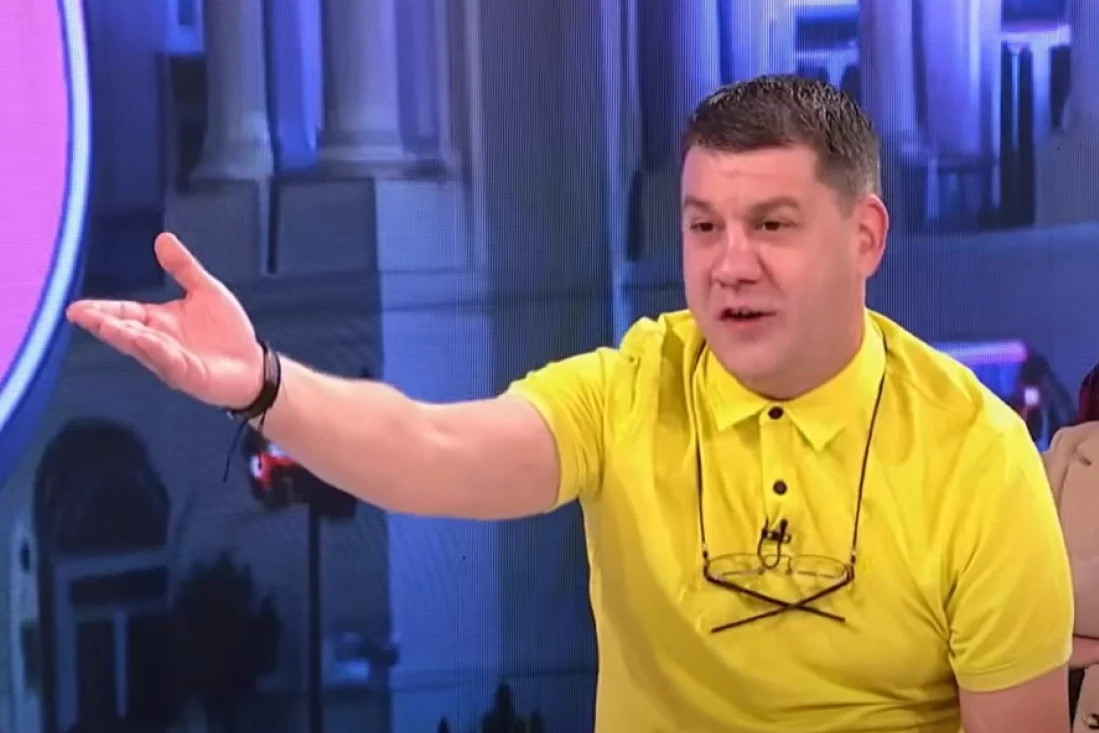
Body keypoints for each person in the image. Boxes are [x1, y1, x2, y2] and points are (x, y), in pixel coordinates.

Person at [67, 75, 1078, 732]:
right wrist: (264, 382)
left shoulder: (974, 452)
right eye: (703, 226)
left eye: (771, 224)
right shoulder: (629, 388)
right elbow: (431, 447)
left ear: (864, 237)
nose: (729, 264)